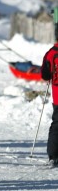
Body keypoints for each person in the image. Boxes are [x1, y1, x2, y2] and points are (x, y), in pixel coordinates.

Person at [40, 38, 58, 166]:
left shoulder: (51, 53)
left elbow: (45, 75)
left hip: (57, 96)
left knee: (57, 124)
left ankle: (53, 156)